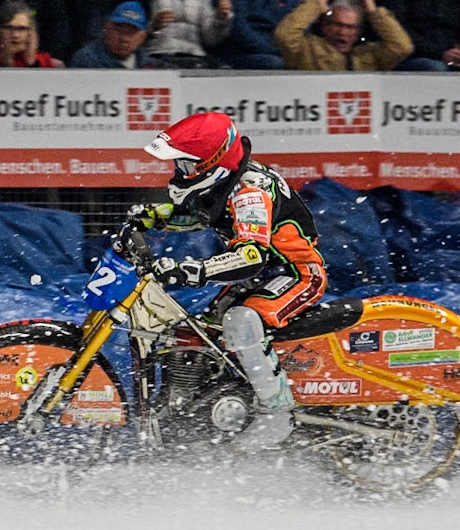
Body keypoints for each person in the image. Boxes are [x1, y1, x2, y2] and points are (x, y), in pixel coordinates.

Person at [136, 111, 326, 448]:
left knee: (241, 320)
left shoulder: (250, 191)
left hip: (297, 273)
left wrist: (195, 270)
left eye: (186, 166)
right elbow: (201, 214)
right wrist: (154, 218)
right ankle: (199, 412)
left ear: (215, 162)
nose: (181, 172)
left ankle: (276, 412)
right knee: (199, 334)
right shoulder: (226, 182)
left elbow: (251, 256)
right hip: (264, 275)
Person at [274, 0, 412, 70]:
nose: (343, 32)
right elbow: (283, 35)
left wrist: (373, 12)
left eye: (351, 27)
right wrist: (316, 4)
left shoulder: (370, 55)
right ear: (325, 26)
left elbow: (402, 47)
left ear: (358, 32)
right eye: (337, 25)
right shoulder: (307, 49)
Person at [0, 0, 62, 67]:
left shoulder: (44, 60)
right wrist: (5, 64)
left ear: (31, 33)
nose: (15, 35)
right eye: (9, 28)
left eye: (22, 29)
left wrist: (31, 63)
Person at [69, 0, 150, 68]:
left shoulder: (150, 65)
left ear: (142, 37)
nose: (124, 38)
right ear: (106, 29)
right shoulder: (86, 60)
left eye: (131, 33)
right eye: (118, 30)